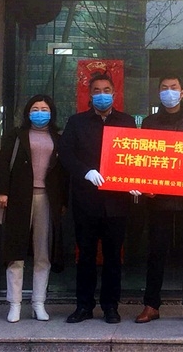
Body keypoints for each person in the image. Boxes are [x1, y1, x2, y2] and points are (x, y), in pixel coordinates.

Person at [58, 74, 137, 324]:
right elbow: (66, 154)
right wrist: (85, 172)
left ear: (114, 93)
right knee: (86, 257)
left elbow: (136, 154)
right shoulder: (77, 122)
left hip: (117, 203)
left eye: (106, 90)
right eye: (97, 90)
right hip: (86, 201)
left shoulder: (126, 121)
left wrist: (138, 181)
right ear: (90, 95)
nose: (102, 94)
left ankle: (111, 306)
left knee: (113, 258)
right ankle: (84, 306)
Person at [135, 75, 183, 324]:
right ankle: (151, 305)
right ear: (159, 93)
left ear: (182, 92)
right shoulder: (150, 122)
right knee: (156, 252)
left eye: (173, 88)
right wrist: (144, 185)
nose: (169, 92)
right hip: (158, 199)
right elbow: (143, 156)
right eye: (164, 88)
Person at [0, 94, 67, 323]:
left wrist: (63, 201)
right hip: (19, 198)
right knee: (15, 252)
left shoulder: (58, 137)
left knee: (43, 253)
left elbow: (63, 172)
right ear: (28, 112)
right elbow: (2, 163)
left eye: (44, 109)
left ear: (51, 113)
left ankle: (38, 303)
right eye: (35, 109)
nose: (39, 113)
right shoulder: (16, 135)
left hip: (47, 199)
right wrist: (1, 191)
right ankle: (14, 304)